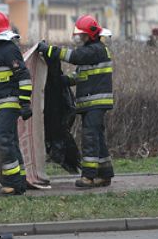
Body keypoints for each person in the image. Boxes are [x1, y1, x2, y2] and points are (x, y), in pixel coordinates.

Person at [37, 15, 114, 188]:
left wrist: (49, 50)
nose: (80, 38)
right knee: (97, 138)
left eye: (83, 34)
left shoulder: (94, 50)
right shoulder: (94, 49)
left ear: (92, 35)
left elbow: (74, 56)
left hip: (95, 102)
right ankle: (105, 174)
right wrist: (66, 81)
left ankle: (88, 176)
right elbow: (82, 74)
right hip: (92, 103)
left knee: (90, 138)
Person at [0, 11, 32, 196]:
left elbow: (23, 75)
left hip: (9, 103)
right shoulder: (1, 51)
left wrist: (25, 103)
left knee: (3, 139)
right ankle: (20, 181)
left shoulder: (8, 49)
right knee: (11, 141)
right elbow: (3, 74)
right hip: (3, 103)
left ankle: (12, 184)